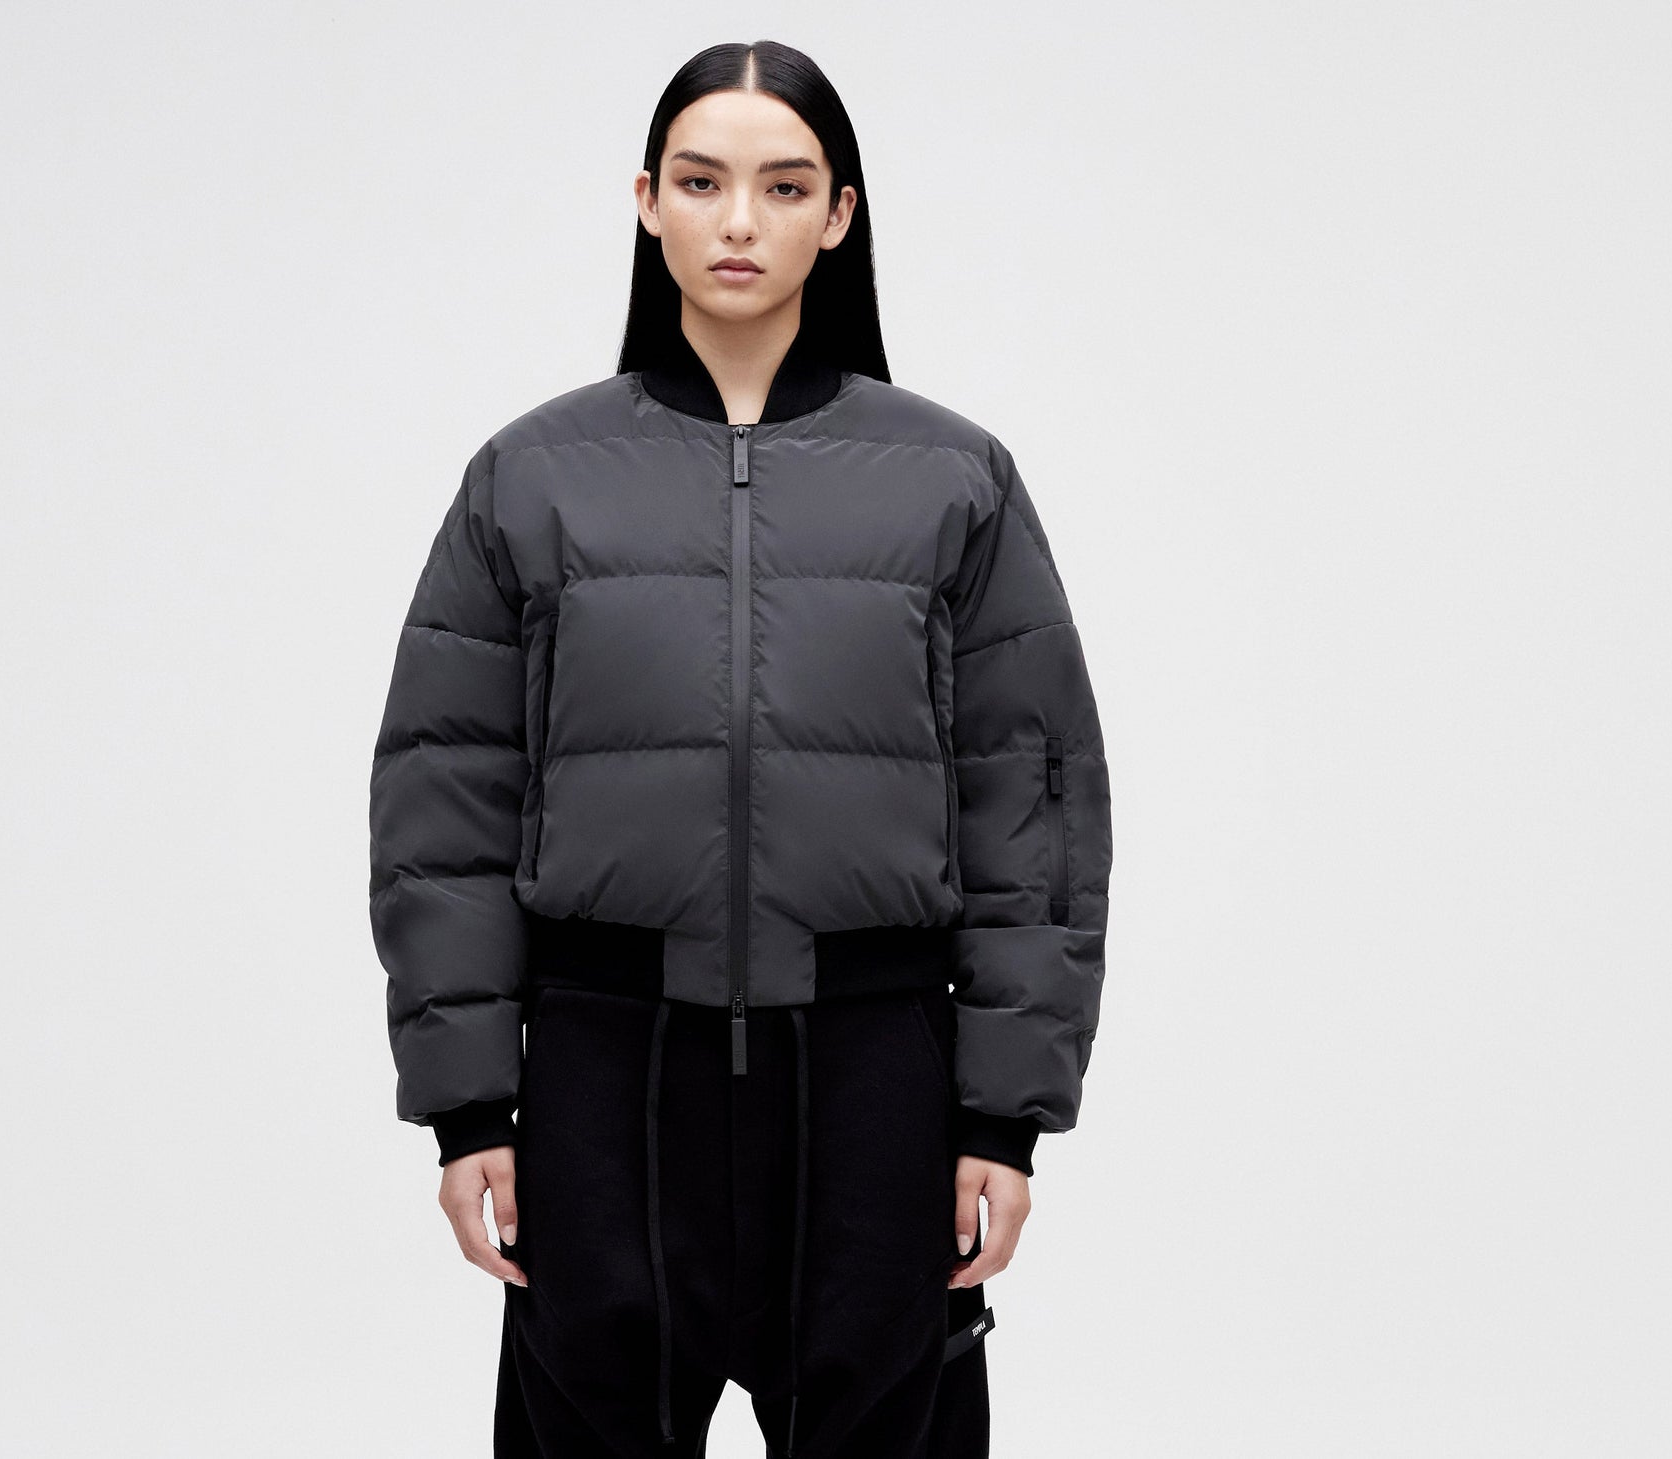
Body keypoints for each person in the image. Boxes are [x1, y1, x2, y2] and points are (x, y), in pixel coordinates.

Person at [368, 39, 1114, 1458]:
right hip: (603, 1071)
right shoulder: (531, 478)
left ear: (839, 214)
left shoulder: (953, 479)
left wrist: (1002, 1120)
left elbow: (1031, 801)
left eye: (784, 186)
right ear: (647, 200)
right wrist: (469, 1109)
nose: (739, 223)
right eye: (703, 182)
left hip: (875, 1074)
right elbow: (444, 796)